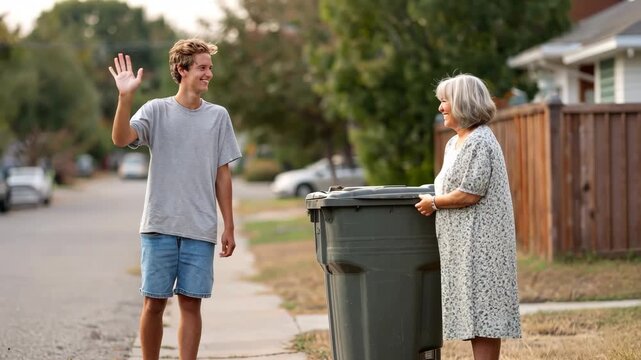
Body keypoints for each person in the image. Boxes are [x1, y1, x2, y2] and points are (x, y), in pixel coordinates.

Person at [108, 39, 242, 360]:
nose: (209, 73)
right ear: (182, 70)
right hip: (159, 226)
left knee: (191, 303)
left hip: (200, 227)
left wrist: (229, 226)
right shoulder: (156, 110)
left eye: (210, 67)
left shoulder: (218, 117)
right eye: (202, 67)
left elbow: (222, 175)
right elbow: (121, 138)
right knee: (154, 303)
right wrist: (125, 98)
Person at [415, 74, 521, 360]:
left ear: (462, 103)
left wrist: (434, 203)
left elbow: (469, 194)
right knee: (474, 314)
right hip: (464, 244)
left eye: (445, 101)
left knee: (484, 316)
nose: (440, 108)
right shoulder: (455, 143)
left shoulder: (479, 142)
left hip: (482, 245)